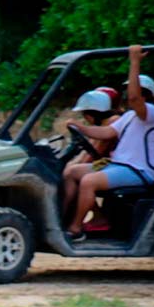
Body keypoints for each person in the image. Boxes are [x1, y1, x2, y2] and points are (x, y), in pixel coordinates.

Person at [65, 46, 154, 242]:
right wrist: (80, 128)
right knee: (71, 173)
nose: (128, 95)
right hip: (119, 166)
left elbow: (135, 99)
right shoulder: (130, 116)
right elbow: (107, 132)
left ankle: (75, 229)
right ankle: (63, 217)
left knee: (88, 181)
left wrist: (134, 61)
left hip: (138, 171)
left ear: (147, 95)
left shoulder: (152, 114)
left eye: (134, 91)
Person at [61, 88, 119, 222]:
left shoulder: (112, 121)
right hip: (106, 161)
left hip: (112, 162)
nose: (85, 119)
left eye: (85, 114)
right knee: (69, 169)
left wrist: (72, 166)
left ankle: (63, 215)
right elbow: (91, 148)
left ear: (92, 113)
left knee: (71, 174)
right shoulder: (103, 123)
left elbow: (95, 151)